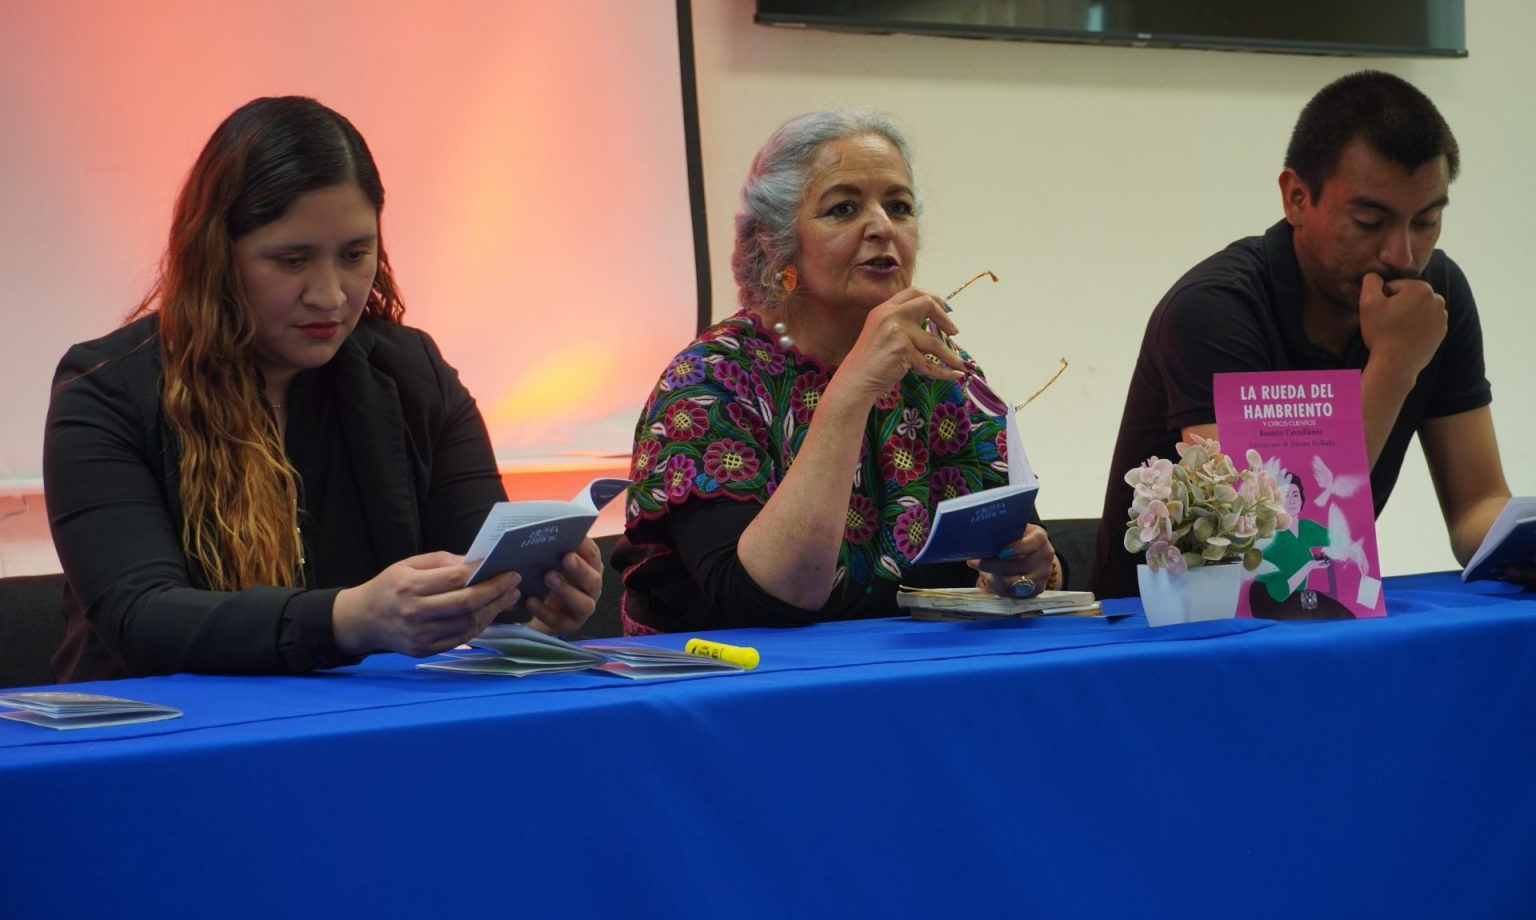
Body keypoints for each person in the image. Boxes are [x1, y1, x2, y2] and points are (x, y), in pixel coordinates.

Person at [44, 96, 602, 681]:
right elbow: (142, 618)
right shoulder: (105, 389)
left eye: (356, 255)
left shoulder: (413, 372)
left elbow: (474, 572)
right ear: (214, 256)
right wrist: (348, 619)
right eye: (292, 261)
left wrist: (529, 601)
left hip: (376, 721)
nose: (331, 295)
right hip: (164, 725)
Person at [616, 110, 1059, 634]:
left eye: (899, 207)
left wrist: (1029, 569)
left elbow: (1017, 544)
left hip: (918, 671)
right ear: (774, 241)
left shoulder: (933, 366)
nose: (882, 227)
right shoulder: (709, 381)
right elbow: (767, 600)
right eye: (843, 208)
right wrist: (853, 388)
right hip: (746, 676)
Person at [1092, 70, 1525, 600]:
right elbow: (1268, 547)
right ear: (1296, 197)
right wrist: (1395, 364)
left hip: (1316, 616)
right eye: (1368, 222)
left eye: (1425, 222)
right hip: (1161, 629)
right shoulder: (1213, 310)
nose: (1402, 255)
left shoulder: (1436, 296)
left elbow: (1476, 504)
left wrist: (1518, 540)